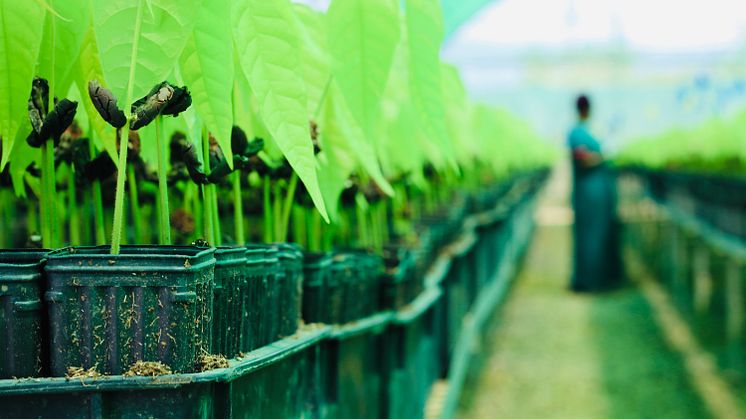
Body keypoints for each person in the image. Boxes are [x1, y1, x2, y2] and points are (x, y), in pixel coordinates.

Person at [567, 95, 621, 292]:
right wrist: (603, 156)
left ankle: (597, 278)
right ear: (588, 109)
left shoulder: (585, 131)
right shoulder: (580, 133)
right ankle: (589, 280)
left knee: (595, 234)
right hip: (590, 194)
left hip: (595, 194)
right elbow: (583, 159)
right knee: (591, 235)